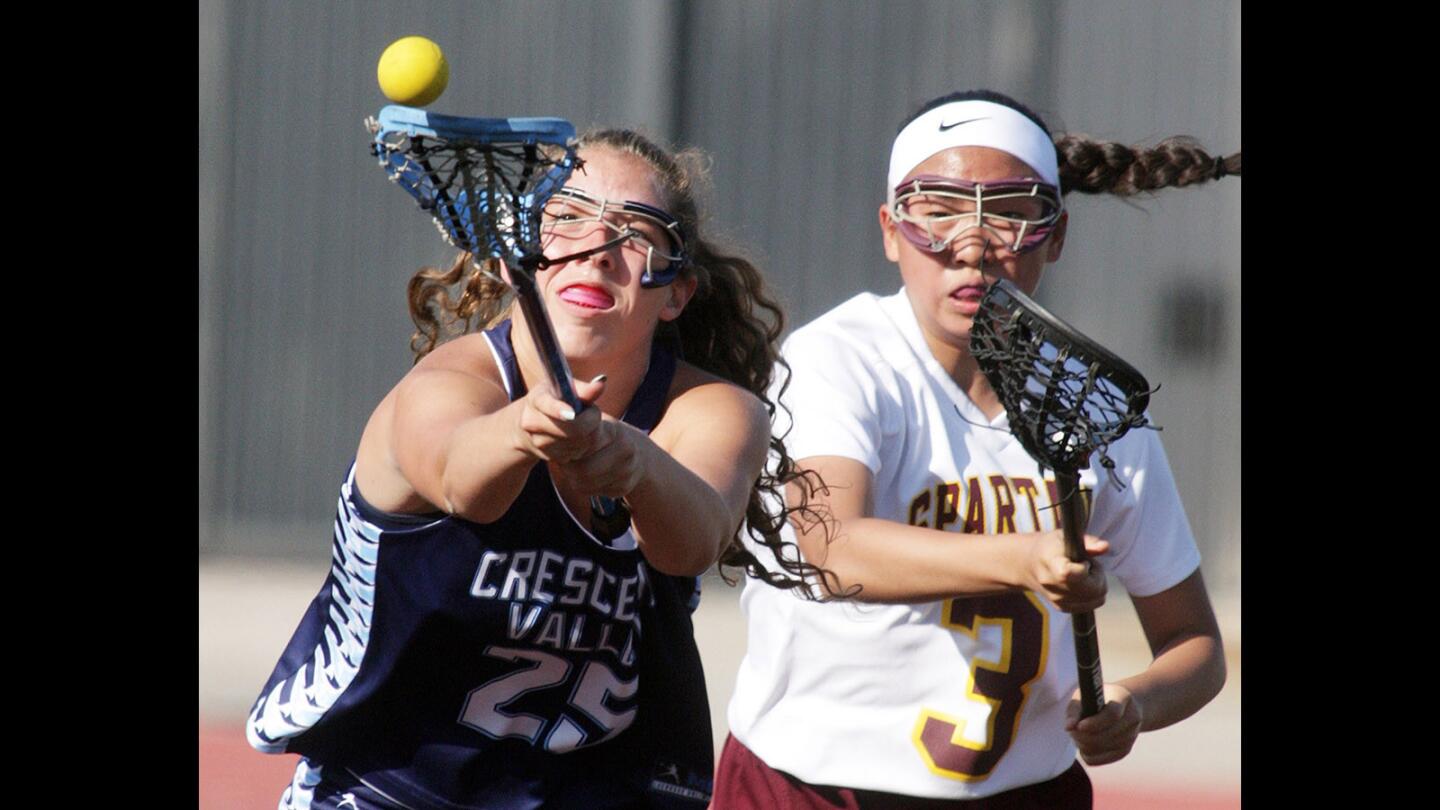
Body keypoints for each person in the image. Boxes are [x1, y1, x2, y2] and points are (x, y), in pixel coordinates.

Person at [246, 128, 827, 810]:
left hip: (597, 792)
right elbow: (465, 483)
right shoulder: (450, 383)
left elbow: (691, 540)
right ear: (509, 259)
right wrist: (527, 427)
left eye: (635, 231)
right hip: (388, 786)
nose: (599, 251)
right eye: (569, 216)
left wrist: (631, 460)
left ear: (675, 292)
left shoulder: (709, 409)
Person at [717, 89, 1239, 808]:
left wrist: (1134, 704)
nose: (971, 244)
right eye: (937, 209)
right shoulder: (842, 359)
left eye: (1010, 212)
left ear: (1055, 236)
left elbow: (1194, 645)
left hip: (1026, 790)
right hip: (814, 786)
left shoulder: (1099, 406)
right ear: (891, 232)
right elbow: (830, 548)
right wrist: (1022, 559)